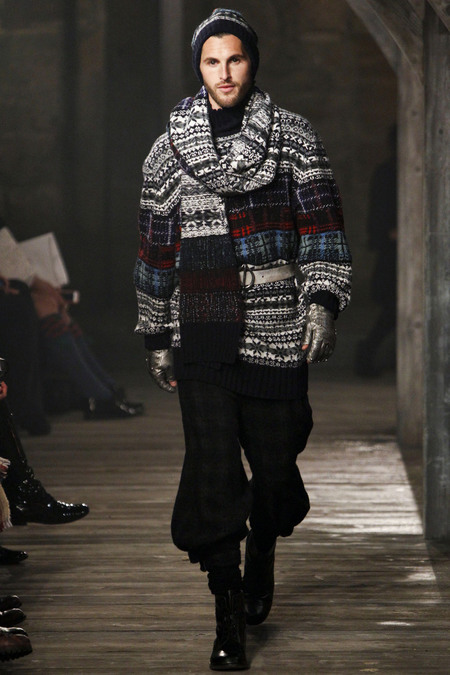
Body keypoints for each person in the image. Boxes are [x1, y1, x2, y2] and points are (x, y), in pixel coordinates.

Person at [134, 9, 352, 671]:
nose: (224, 73)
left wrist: (322, 302)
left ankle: (264, 541)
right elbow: (156, 247)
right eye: (212, 61)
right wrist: (156, 331)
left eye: (235, 59)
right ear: (198, 68)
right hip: (201, 321)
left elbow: (322, 226)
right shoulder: (168, 149)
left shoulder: (292, 137)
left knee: (277, 462)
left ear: (252, 62)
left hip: (276, 318)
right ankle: (227, 612)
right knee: (212, 469)